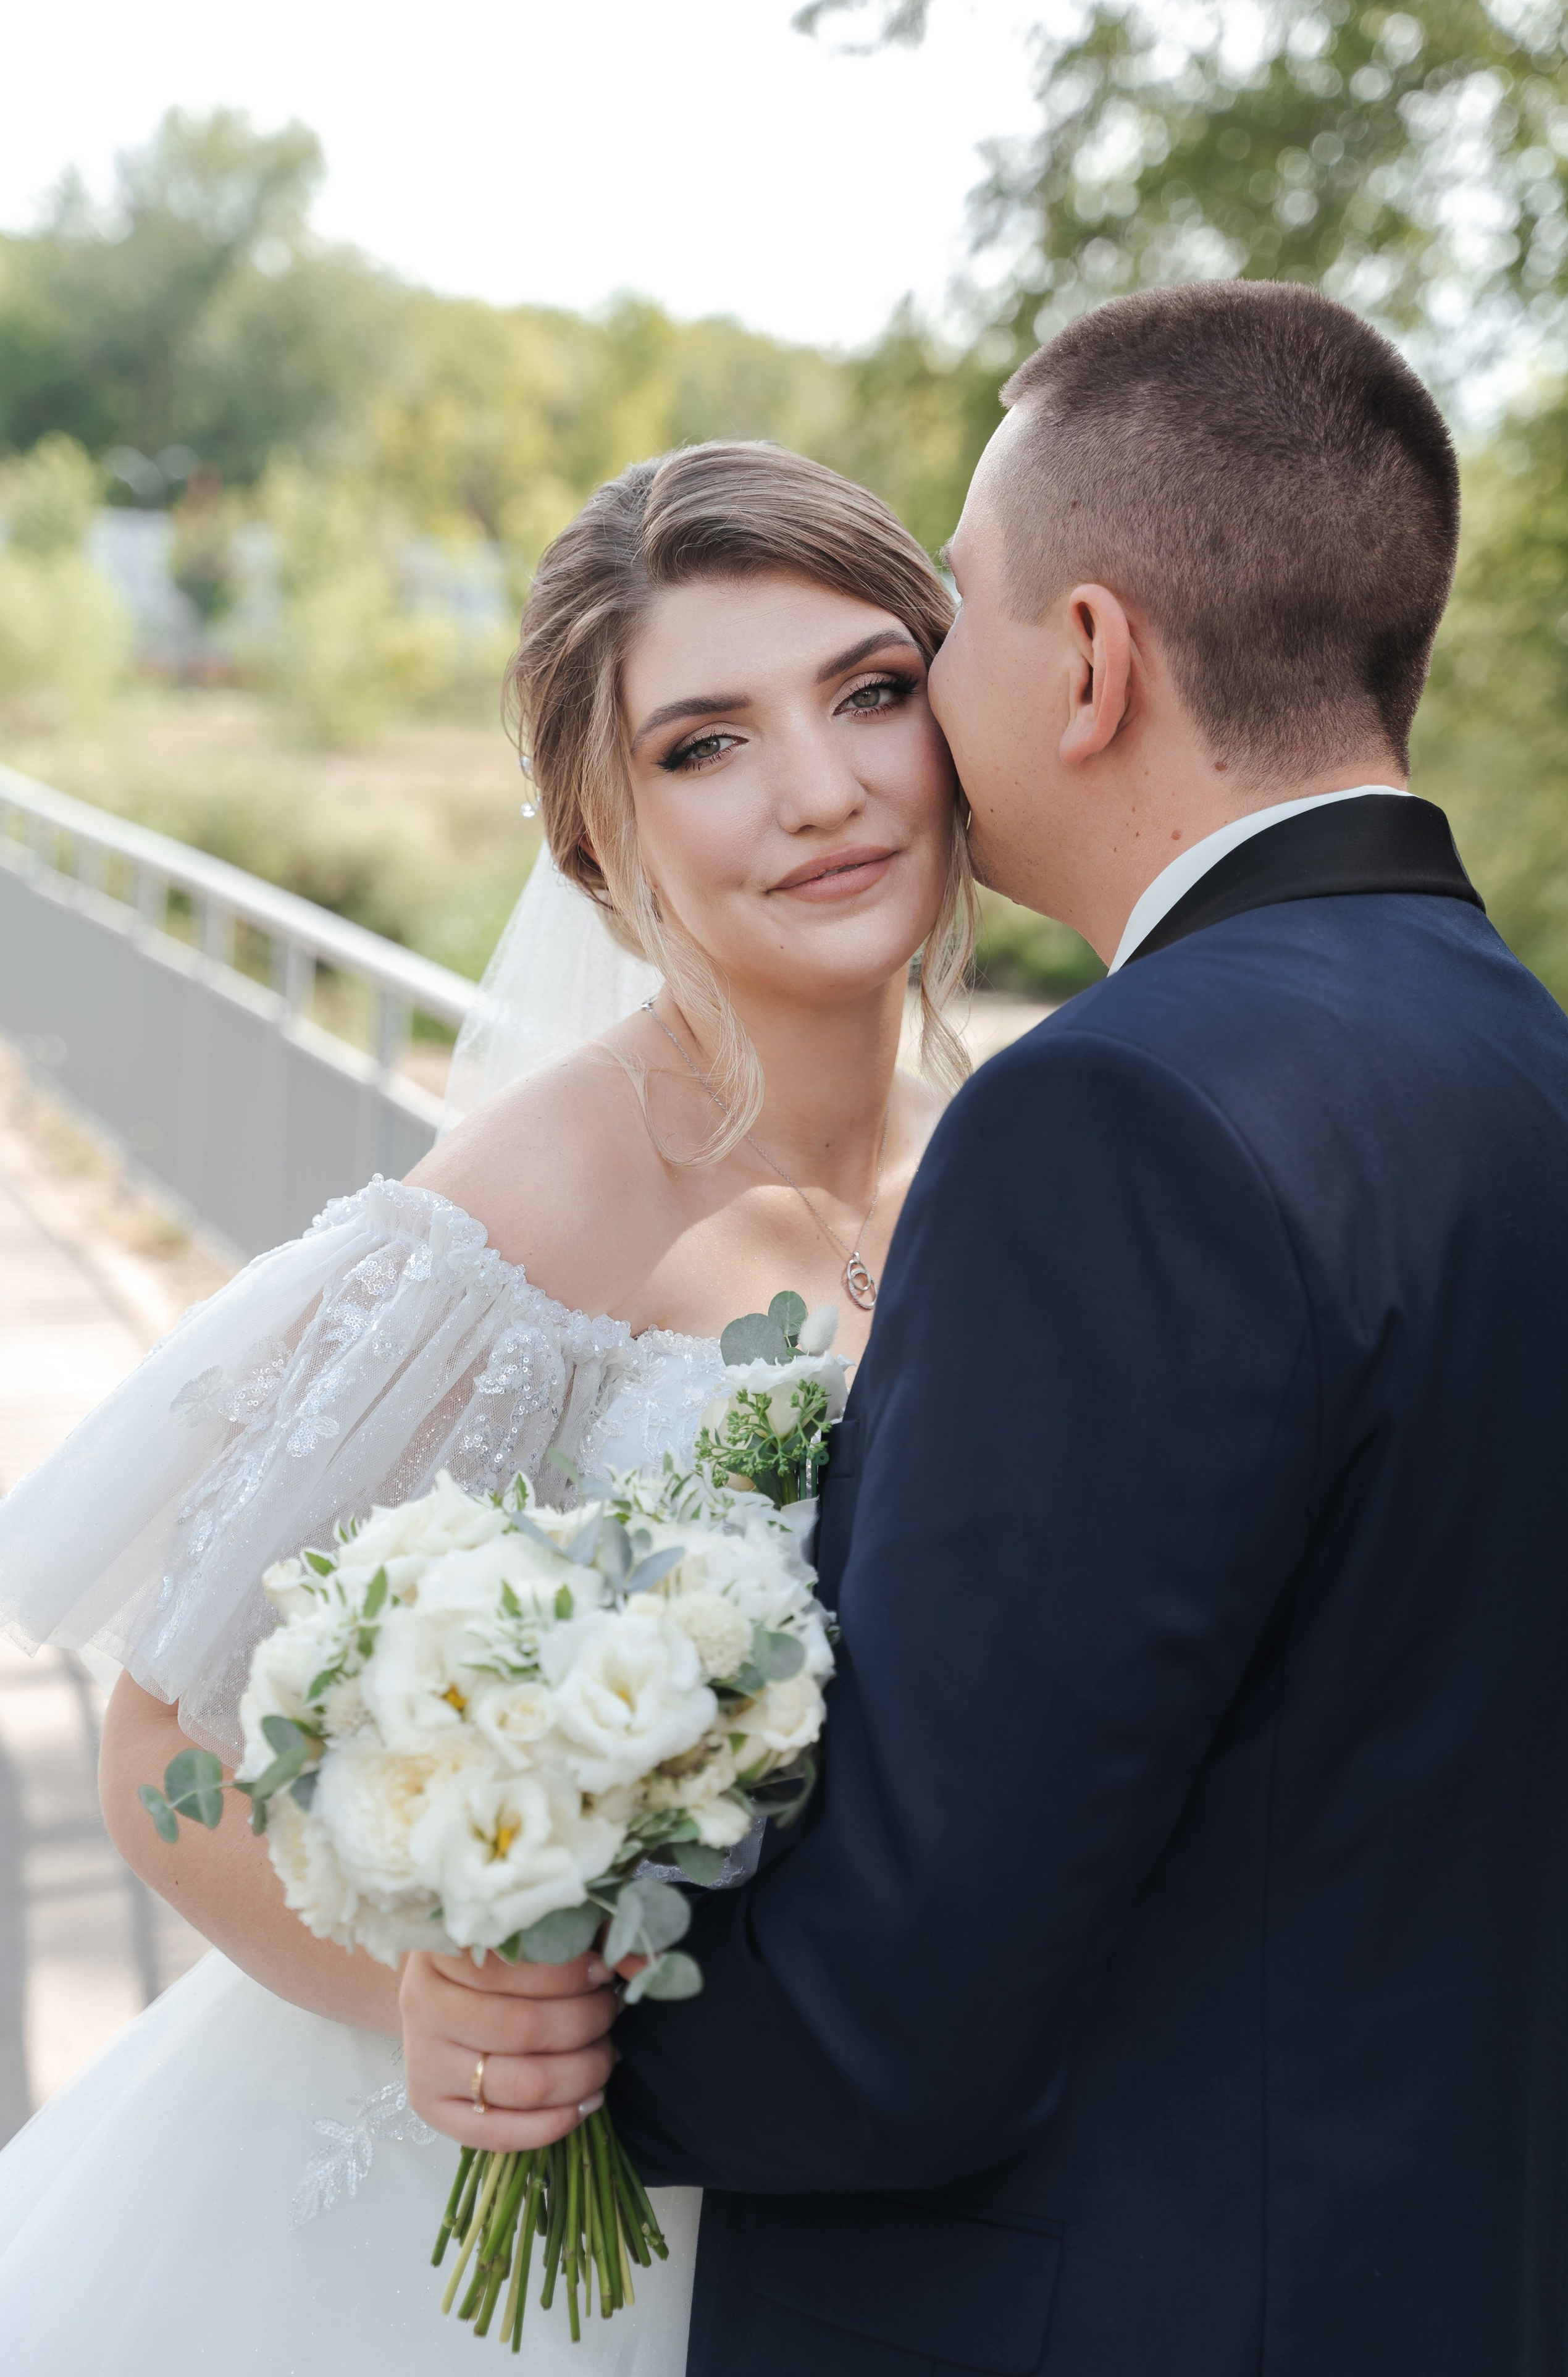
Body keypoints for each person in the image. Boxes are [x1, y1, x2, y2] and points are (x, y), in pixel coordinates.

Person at [402, 282, 1568, 2376]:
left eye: (935, 631)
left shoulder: (1108, 1115)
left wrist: (557, 2055)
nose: (908, 719)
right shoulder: (1522, 1059)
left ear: (1096, 661)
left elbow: (897, 2008)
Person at [0, 440, 974, 2373]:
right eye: (705, 743)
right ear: (596, 836)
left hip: (818, 2185)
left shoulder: (988, 1169)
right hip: (460, 2233)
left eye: (871, 692)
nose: (821, 788)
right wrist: (427, 1994)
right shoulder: (526, 1214)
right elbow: (167, 1754)